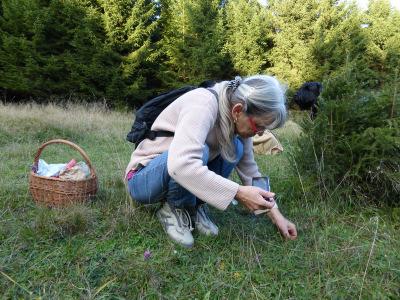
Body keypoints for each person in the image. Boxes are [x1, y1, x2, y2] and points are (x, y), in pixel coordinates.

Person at [125, 75, 297, 247]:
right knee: (201, 151)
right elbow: (181, 165)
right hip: (143, 179)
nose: (260, 133)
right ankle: (175, 208)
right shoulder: (203, 104)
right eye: (259, 126)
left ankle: (196, 205)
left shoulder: (239, 119)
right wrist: (238, 193)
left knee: (235, 147)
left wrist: (276, 215)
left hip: (175, 172)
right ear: (237, 110)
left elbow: (250, 172)